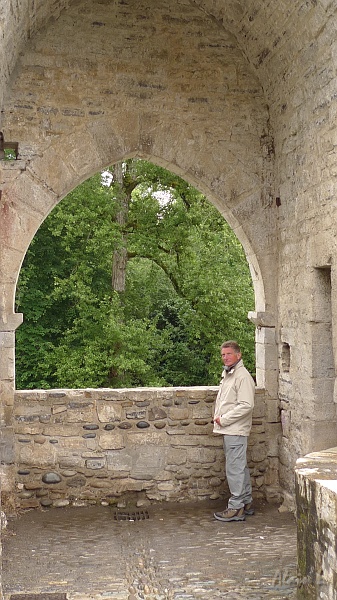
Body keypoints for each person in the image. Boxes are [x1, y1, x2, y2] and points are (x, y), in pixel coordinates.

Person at [213, 340, 255, 522]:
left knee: (234, 469)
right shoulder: (230, 374)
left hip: (234, 429)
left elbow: (246, 405)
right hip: (231, 428)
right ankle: (245, 502)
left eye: (229, 354)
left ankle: (236, 507)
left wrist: (224, 419)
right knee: (239, 467)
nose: (225, 357)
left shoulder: (242, 376)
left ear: (238, 355)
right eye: (223, 354)